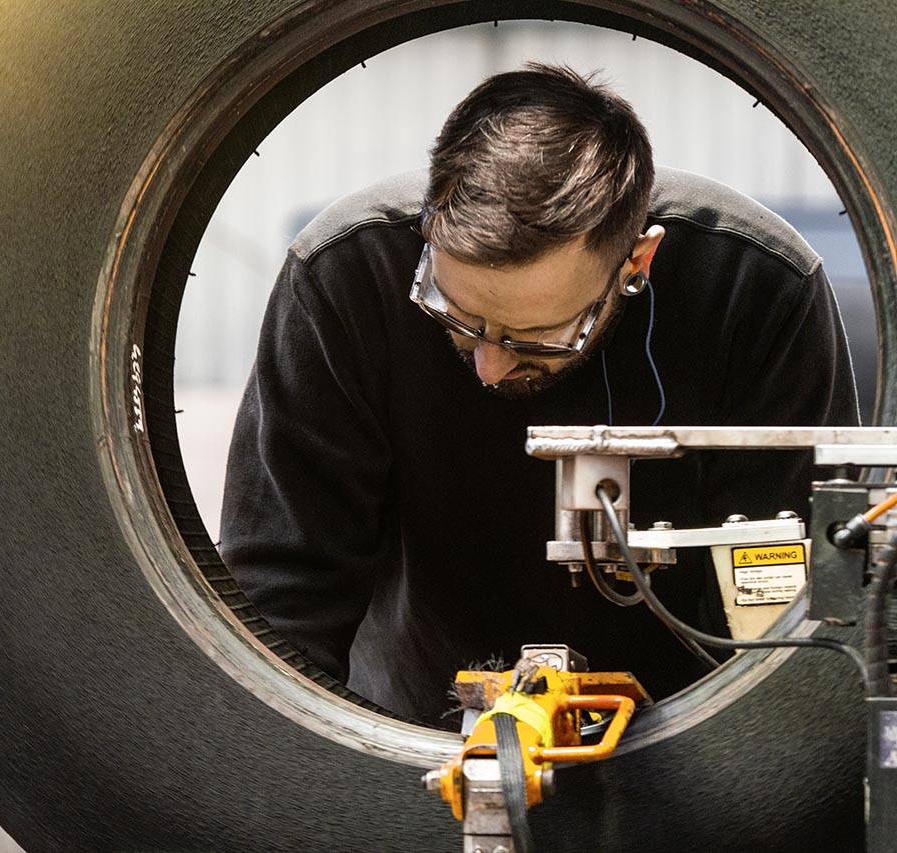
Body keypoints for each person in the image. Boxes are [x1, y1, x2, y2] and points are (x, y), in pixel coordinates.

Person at [219, 63, 860, 729]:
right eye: (457, 317)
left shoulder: (757, 288)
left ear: (636, 262)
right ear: (428, 230)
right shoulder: (346, 274)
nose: (491, 367)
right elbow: (281, 594)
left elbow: (787, 603)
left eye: (538, 337)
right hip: (412, 730)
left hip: (688, 733)